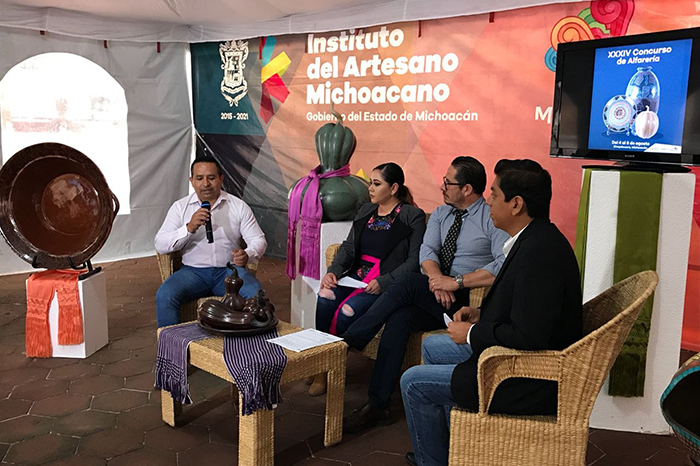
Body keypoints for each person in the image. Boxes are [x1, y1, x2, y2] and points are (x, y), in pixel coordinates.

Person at [399, 159, 583, 466]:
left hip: (527, 375)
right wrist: (480, 314)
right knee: (432, 346)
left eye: (494, 195)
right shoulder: (533, 239)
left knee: (413, 382)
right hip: (513, 357)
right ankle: (452, 450)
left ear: (516, 204)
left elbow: (529, 336)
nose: (488, 202)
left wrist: (472, 333)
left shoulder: (539, 253)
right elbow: (526, 309)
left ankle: (432, 461)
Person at [341, 156, 509, 433]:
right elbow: (427, 252)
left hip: (466, 302)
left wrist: (455, 282)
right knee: (400, 318)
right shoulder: (442, 214)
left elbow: (502, 264)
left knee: (407, 283)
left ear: (466, 189)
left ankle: (351, 339)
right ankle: (378, 404)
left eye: (448, 183)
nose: (442, 187)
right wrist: (437, 280)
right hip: (434, 292)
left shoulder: (490, 218)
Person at [309, 162, 426, 396]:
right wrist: (333, 271)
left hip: (383, 282)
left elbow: (414, 261)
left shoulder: (412, 216)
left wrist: (385, 282)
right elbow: (348, 248)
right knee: (325, 296)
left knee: (348, 311)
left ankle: (330, 365)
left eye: (376, 184)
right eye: (370, 183)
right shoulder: (366, 211)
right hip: (355, 277)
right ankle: (323, 366)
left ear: (394, 188)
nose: (370, 188)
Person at [154, 156, 267, 327]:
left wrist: (247, 254)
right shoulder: (180, 207)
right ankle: (172, 343)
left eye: (211, 177)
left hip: (229, 272)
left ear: (221, 179)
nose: (206, 183)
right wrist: (188, 228)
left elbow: (258, 240)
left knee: (256, 295)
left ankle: (252, 342)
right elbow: (160, 244)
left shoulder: (238, 206)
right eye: (199, 178)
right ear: (192, 181)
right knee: (165, 295)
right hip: (193, 273)